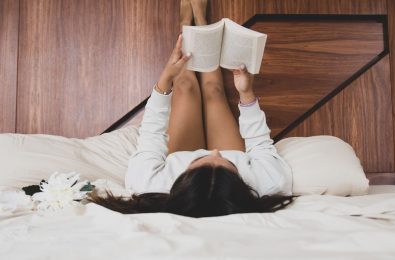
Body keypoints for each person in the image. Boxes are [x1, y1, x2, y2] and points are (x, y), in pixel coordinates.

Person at [87, 0, 294, 217]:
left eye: (199, 160)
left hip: (180, 153)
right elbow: (260, 144)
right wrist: (246, 93)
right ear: (241, 185)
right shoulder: (270, 184)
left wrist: (165, 79)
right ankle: (203, 23)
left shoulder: (150, 184)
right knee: (214, 91)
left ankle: (185, 25)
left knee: (184, 87)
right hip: (231, 161)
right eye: (227, 164)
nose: (214, 151)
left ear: (182, 181)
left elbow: (151, 134)